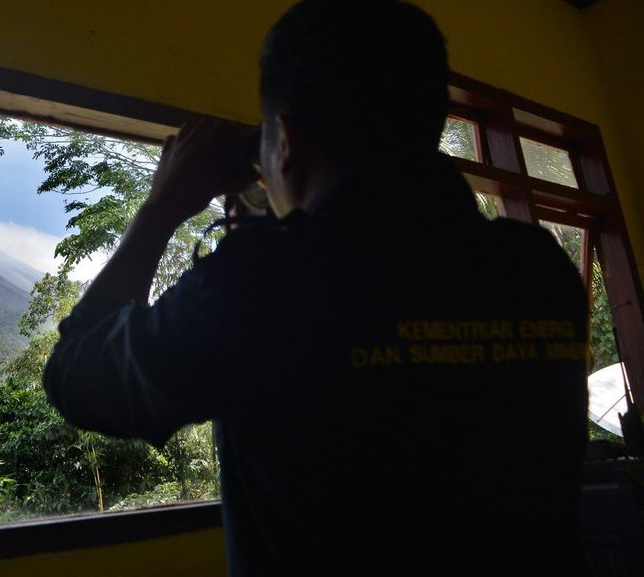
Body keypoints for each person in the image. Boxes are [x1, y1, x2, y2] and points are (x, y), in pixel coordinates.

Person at [42, 1, 589, 575]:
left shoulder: (263, 283)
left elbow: (77, 375)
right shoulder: (536, 269)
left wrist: (161, 208)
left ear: (283, 138)